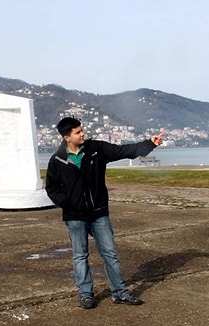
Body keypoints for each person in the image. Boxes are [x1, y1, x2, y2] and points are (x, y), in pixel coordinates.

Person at [45, 117, 164, 309]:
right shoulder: (58, 160)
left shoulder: (96, 149)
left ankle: (120, 293)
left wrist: (150, 144)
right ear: (66, 137)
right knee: (80, 256)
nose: (82, 134)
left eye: (81, 130)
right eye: (77, 132)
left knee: (110, 253)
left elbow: (123, 151)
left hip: (99, 213)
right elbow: (51, 188)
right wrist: (68, 204)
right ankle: (86, 295)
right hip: (75, 217)